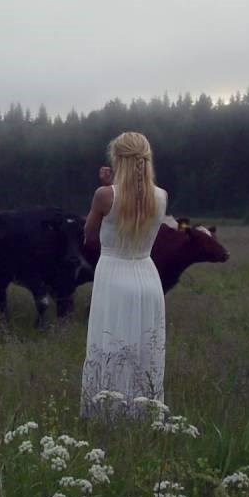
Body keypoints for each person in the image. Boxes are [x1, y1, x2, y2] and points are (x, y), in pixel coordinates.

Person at [79, 132, 168, 420]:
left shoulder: (104, 195)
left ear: (118, 160)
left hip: (114, 275)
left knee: (109, 345)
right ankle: (143, 412)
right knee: (144, 351)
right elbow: (135, 208)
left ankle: (107, 415)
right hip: (147, 275)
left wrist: (108, 187)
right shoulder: (161, 196)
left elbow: (88, 235)